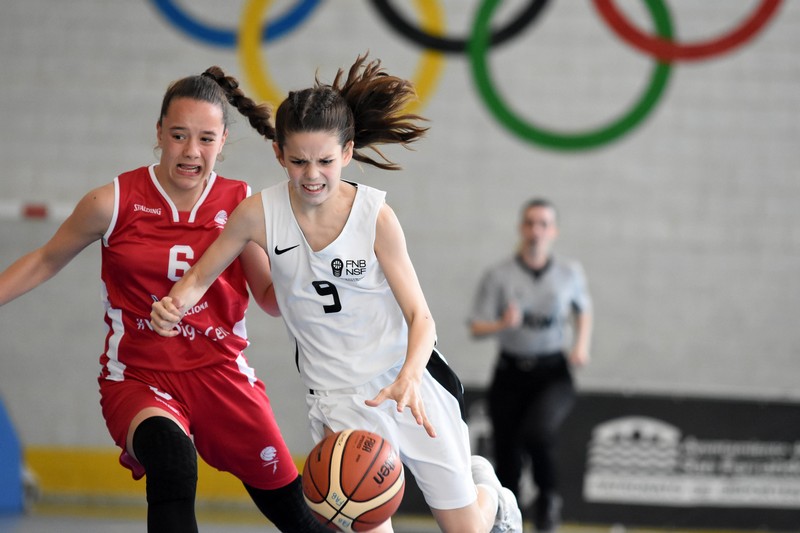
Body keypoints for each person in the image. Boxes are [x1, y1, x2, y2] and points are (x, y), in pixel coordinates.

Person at [150, 54, 523, 533]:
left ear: (346, 153)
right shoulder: (257, 214)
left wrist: (410, 377)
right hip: (338, 398)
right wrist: (173, 304)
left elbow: (421, 317)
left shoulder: (375, 217)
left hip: (407, 380)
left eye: (325, 161)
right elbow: (201, 276)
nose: (312, 174)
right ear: (279, 154)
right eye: (299, 161)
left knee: (466, 527)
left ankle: (490, 492)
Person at [0, 67, 329, 533]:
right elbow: (44, 260)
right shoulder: (113, 201)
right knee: (173, 463)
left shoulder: (241, 205)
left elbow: (271, 300)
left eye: (206, 138)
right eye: (178, 135)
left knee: (297, 516)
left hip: (221, 374)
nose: (191, 151)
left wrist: (317, 267)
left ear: (222, 141)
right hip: (139, 376)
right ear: (159, 133)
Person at [468, 198, 593, 533]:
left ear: (553, 231)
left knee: (538, 432)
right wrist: (502, 324)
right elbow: (476, 326)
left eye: (543, 224)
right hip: (510, 373)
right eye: (530, 223)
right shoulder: (499, 275)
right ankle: (509, 519)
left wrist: (581, 345)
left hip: (552, 373)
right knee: (506, 453)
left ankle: (548, 502)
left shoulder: (569, 273)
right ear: (521, 228)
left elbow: (583, 309)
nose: (536, 230)